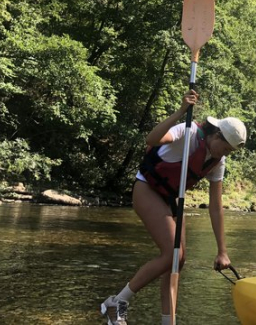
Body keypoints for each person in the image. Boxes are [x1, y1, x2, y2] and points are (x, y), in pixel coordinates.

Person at [101, 90, 247, 325]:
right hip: (147, 188)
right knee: (171, 254)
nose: (226, 155)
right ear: (216, 135)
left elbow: (216, 207)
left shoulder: (218, 161)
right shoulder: (188, 132)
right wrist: (180, 112)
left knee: (178, 259)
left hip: (171, 198)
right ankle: (116, 304)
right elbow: (151, 139)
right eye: (226, 149)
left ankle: (168, 321)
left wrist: (222, 250)